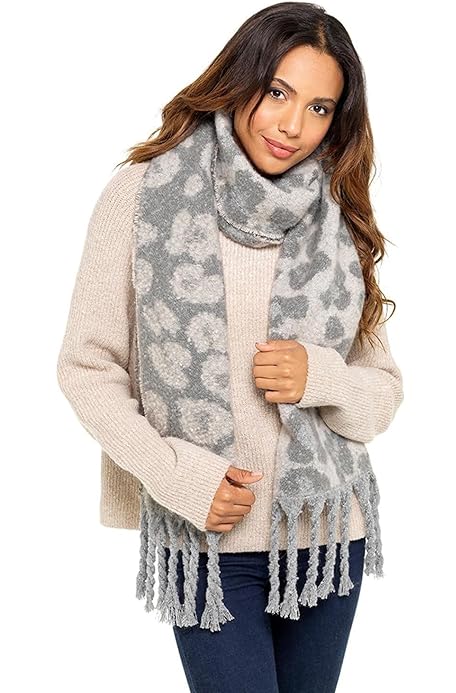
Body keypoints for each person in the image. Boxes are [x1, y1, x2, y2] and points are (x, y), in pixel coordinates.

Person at [56, 2, 404, 691]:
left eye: (319, 108)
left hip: (325, 537)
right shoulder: (142, 193)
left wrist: (322, 377)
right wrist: (176, 476)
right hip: (208, 539)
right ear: (240, 80)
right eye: (278, 92)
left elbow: (382, 394)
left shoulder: (336, 213)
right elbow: (86, 368)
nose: (293, 125)